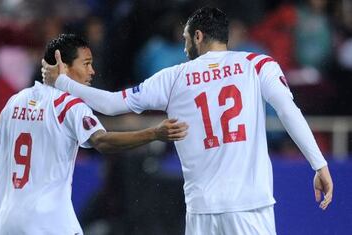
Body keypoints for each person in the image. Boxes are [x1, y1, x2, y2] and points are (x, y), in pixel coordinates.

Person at [42, 7, 333, 235]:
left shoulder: (174, 77)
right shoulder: (257, 64)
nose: (183, 48)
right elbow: (287, 110)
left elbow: (111, 104)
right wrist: (318, 163)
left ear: (197, 36)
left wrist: (64, 84)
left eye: (184, 39)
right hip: (249, 206)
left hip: (201, 211)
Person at [0, 34, 188, 235]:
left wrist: (5, 203)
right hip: (49, 223)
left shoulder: (14, 102)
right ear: (62, 64)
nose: (92, 71)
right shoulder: (68, 105)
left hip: (7, 222)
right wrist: (154, 133)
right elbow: (101, 141)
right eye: (86, 63)